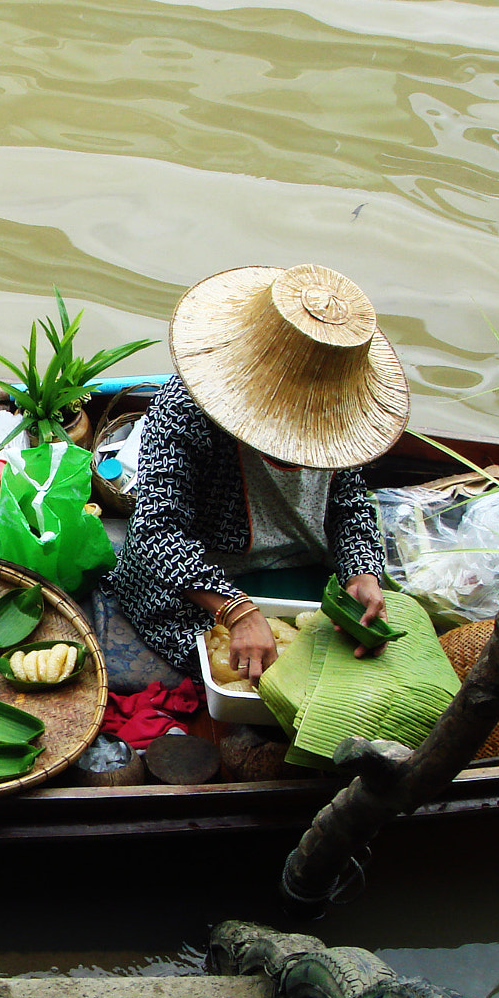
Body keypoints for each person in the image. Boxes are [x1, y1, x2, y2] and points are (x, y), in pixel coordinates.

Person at [100, 263, 410, 686]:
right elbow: (158, 531)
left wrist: (362, 573)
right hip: (204, 578)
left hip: (301, 567)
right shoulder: (187, 410)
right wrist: (237, 610)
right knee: (257, 675)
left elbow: (349, 505)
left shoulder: (344, 416)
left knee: (354, 665)